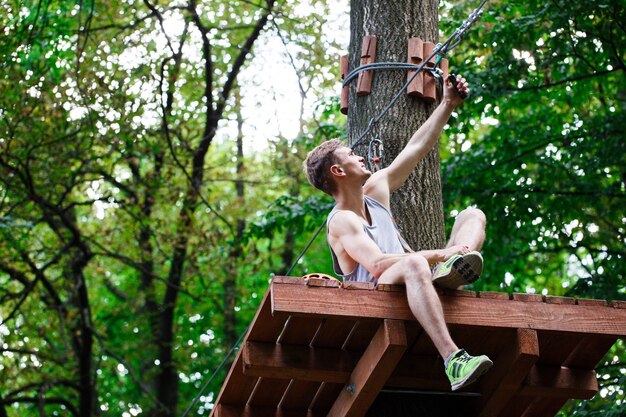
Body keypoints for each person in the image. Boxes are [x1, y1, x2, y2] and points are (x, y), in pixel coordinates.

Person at [303, 74, 492, 391]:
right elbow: (377, 265)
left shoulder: (375, 191)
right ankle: (454, 361)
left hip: (414, 277)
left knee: (473, 215)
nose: (360, 156)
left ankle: (454, 269)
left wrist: (447, 104)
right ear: (337, 171)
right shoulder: (340, 221)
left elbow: (417, 148)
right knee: (413, 263)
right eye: (351, 155)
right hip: (377, 293)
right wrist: (440, 254)